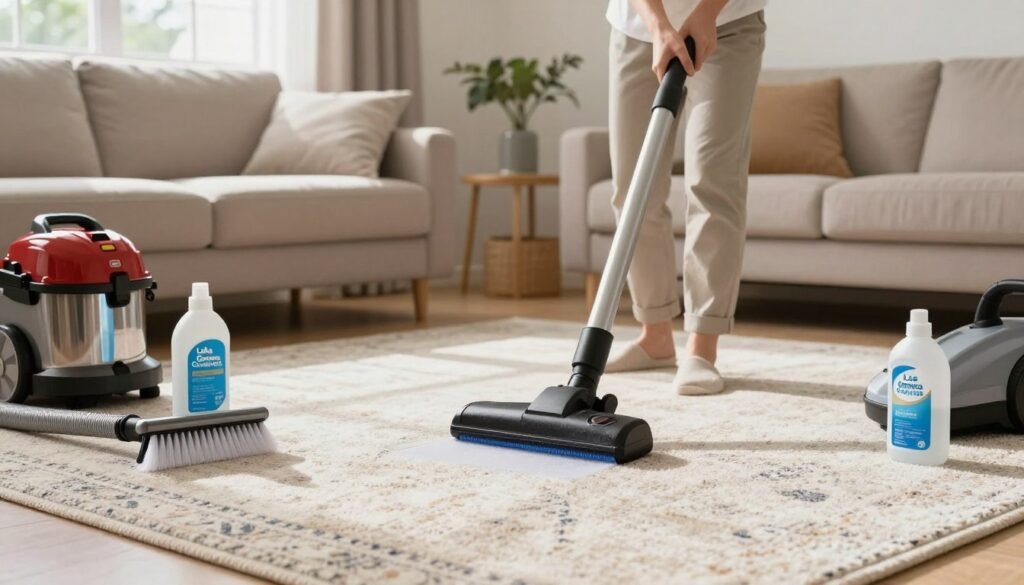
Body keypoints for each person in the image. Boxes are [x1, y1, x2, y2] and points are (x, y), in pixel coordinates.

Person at [603, 0, 766, 394]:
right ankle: (655, 335)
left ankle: (702, 347)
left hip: (726, 22)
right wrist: (658, 25)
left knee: (713, 183)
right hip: (638, 29)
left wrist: (707, 13)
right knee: (632, 186)